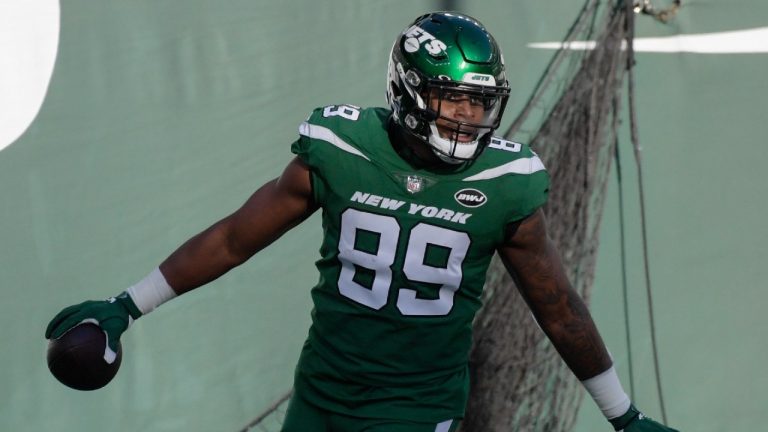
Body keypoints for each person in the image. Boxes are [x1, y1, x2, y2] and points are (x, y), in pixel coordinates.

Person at [45, 12, 679, 432]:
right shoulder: (343, 149)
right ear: (407, 91)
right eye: (452, 99)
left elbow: (558, 308)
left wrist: (621, 414)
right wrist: (128, 304)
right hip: (323, 390)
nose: (468, 118)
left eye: (480, 102)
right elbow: (235, 238)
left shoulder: (505, 181)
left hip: (415, 407)